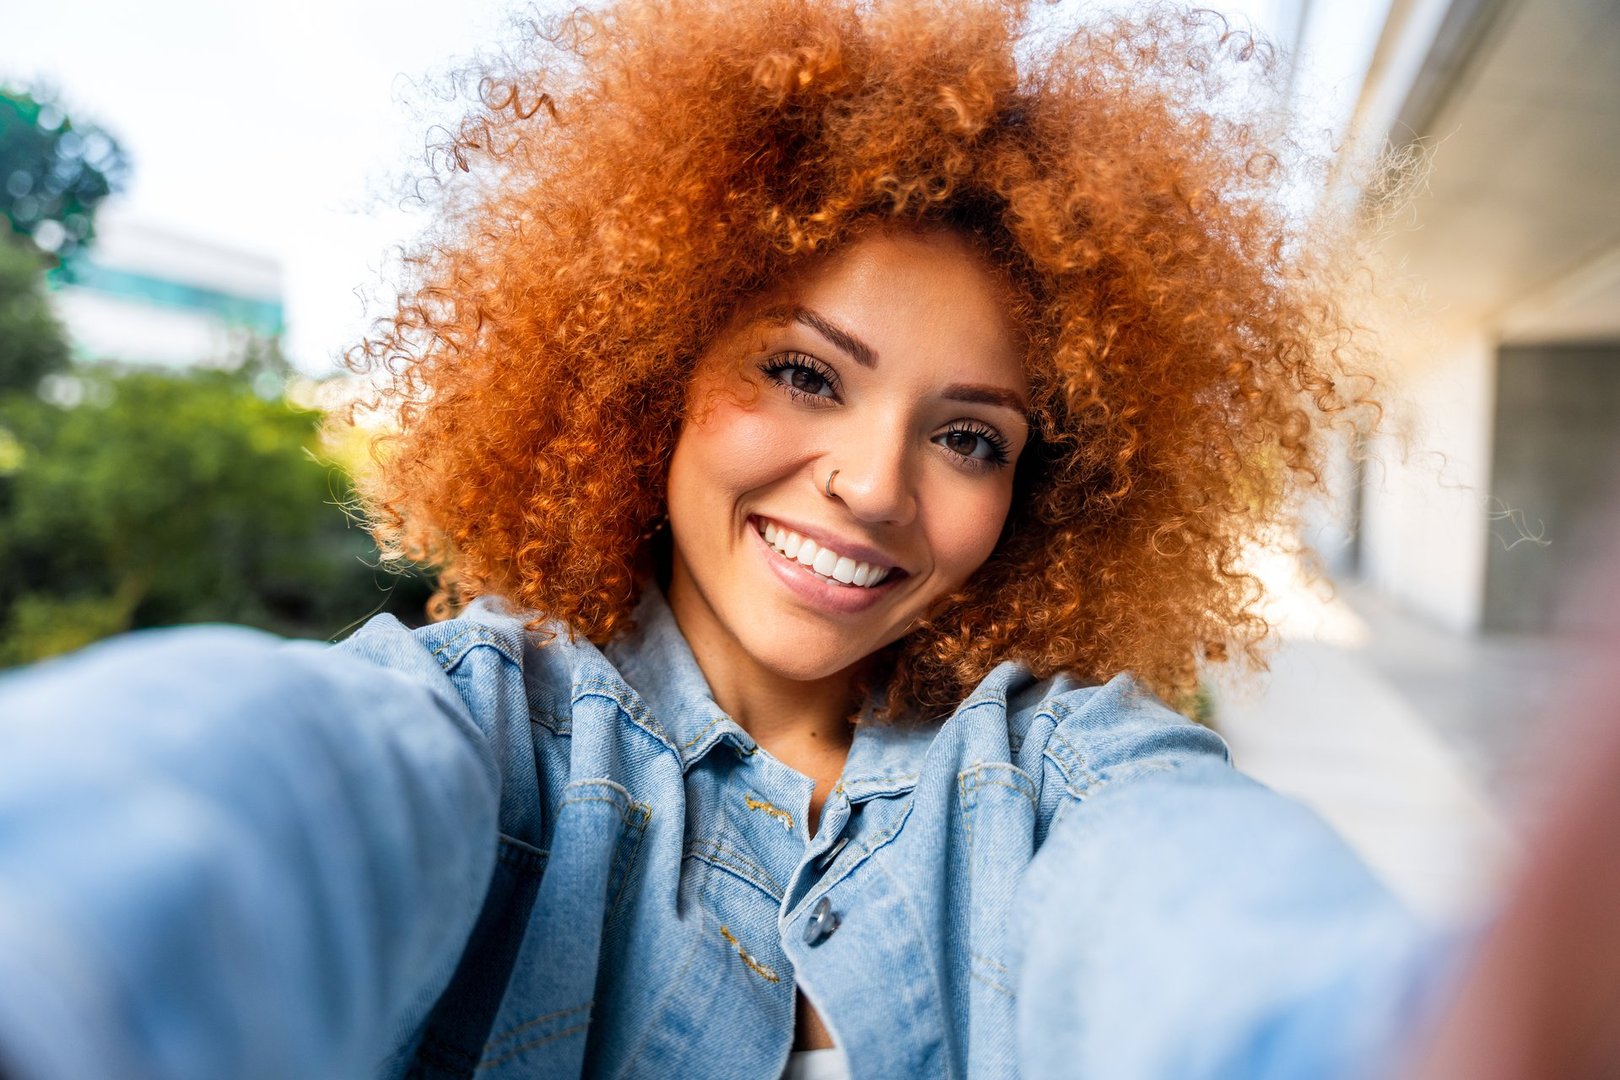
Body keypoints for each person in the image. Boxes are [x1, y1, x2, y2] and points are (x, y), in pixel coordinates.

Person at [5, 1, 1612, 1078]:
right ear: (657, 367)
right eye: (802, 372)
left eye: (969, 434)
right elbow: (223, 813)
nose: (870, 482)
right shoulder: (480, 732)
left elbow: (1209, 929)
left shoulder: (1057, 778)